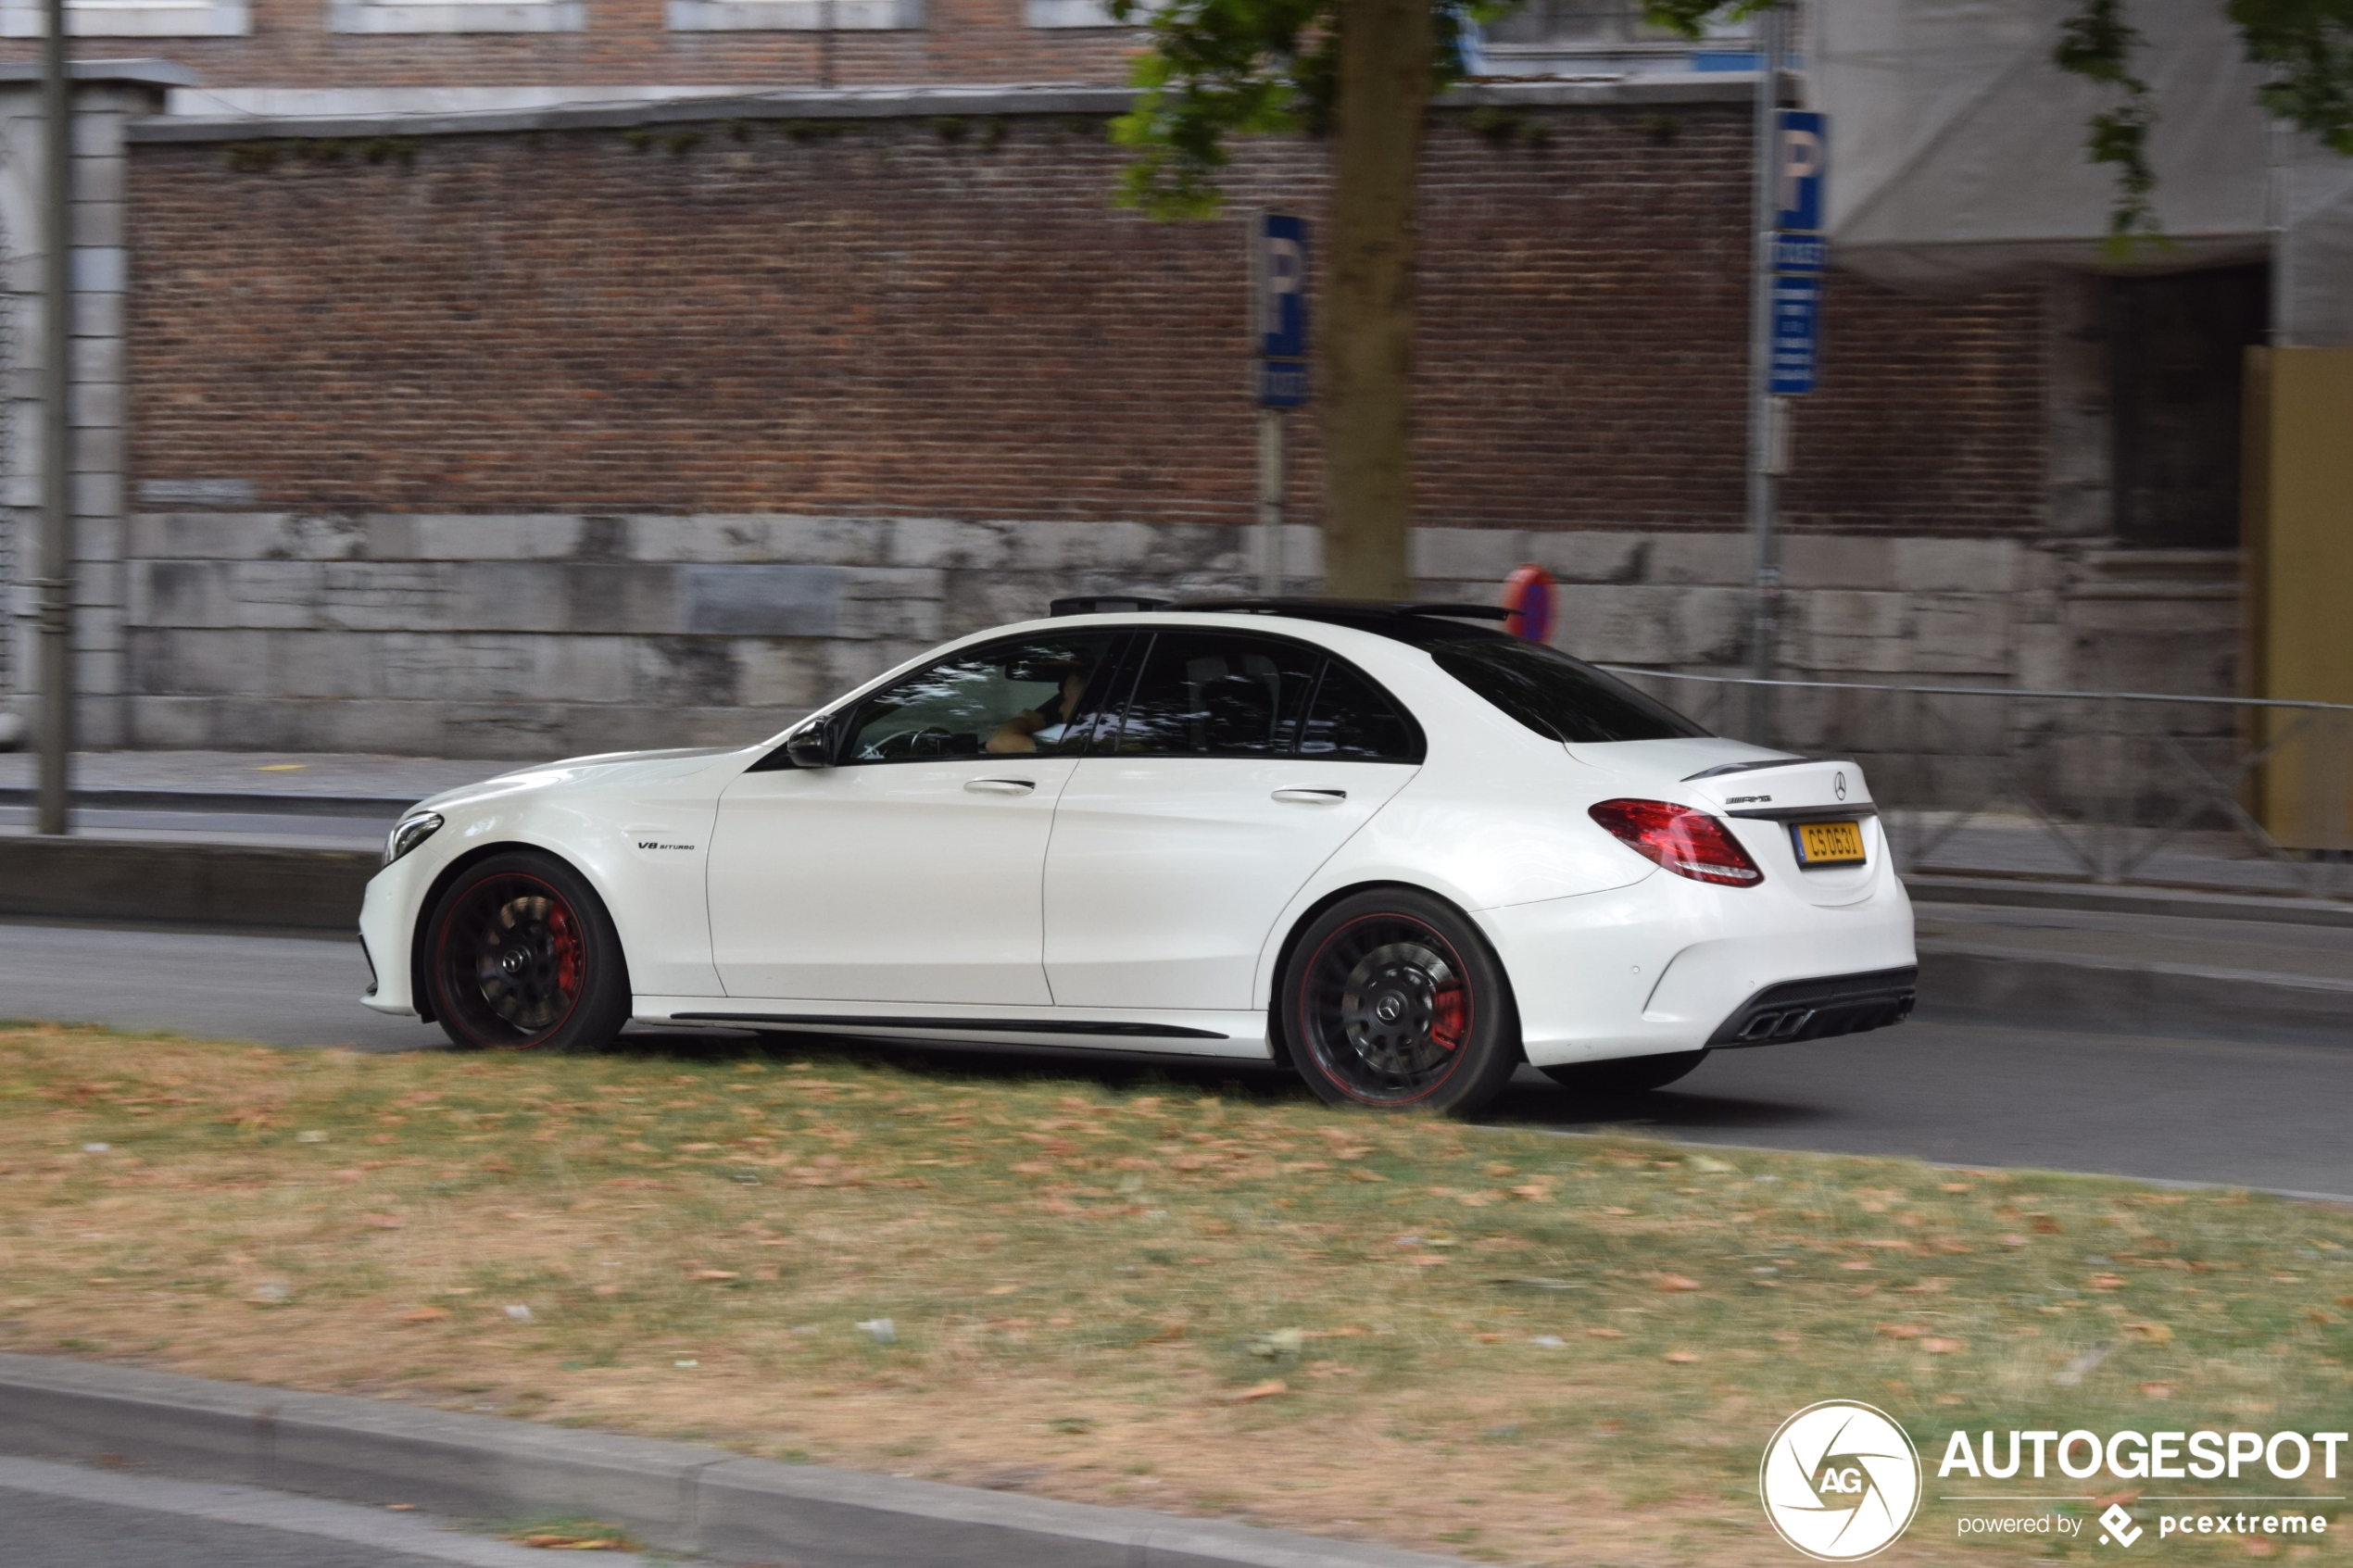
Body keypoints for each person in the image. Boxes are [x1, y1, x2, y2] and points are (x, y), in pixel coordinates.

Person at [988, 665, 1090, 754]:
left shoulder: (1081, 742)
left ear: (1084, 699)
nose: (1060, 708)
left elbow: (998, 743)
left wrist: (1028, 722)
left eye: (1066, 698)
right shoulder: (1095, 738)